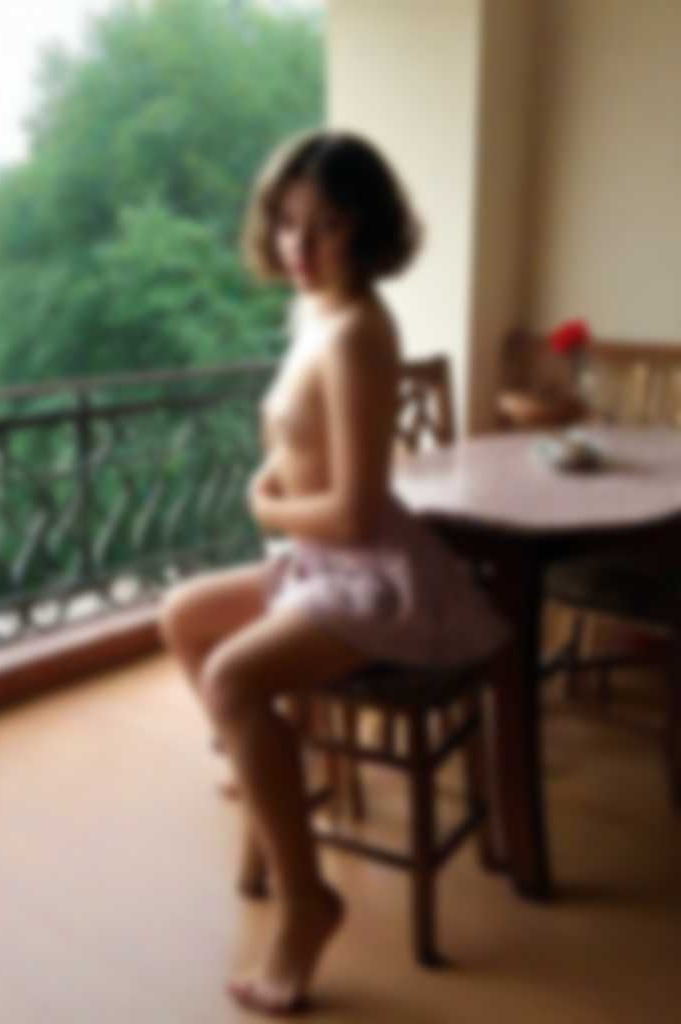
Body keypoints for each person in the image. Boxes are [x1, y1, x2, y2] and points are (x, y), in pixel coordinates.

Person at [156, 128, 509, 1015]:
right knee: (182, 615)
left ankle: (306, 903)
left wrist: (267, 509)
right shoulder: (312, 313)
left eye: (326, 225)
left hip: (371, 576)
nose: (299, 246)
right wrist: (274, 478)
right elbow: (298, 433)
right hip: (321, 563)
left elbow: (355, 511)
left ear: (367, 227)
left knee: (232, 677)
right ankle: (260, 760)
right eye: (287, 222)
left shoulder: (357, 334)